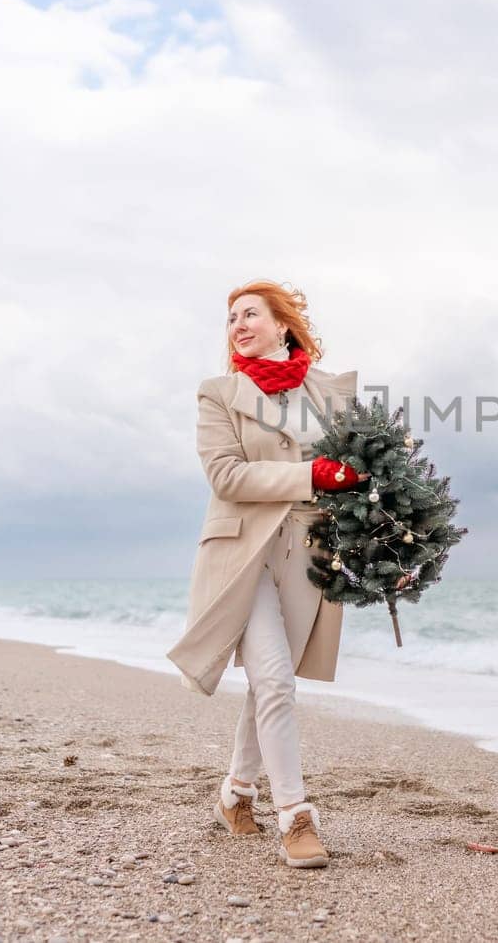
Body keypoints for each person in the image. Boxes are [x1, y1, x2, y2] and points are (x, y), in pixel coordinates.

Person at [178, 280, 364, 870]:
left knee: (268, 681)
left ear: (283, 325)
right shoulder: (219, 393)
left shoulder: (331, 393)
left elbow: (362, 469)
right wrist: (314, 476)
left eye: (250, 313)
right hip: (241, 556)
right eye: (231, 317)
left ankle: (235, 794)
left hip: (307, 551)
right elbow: (227, 477)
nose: (237, 324)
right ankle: (296, 816)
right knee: (278, 682)